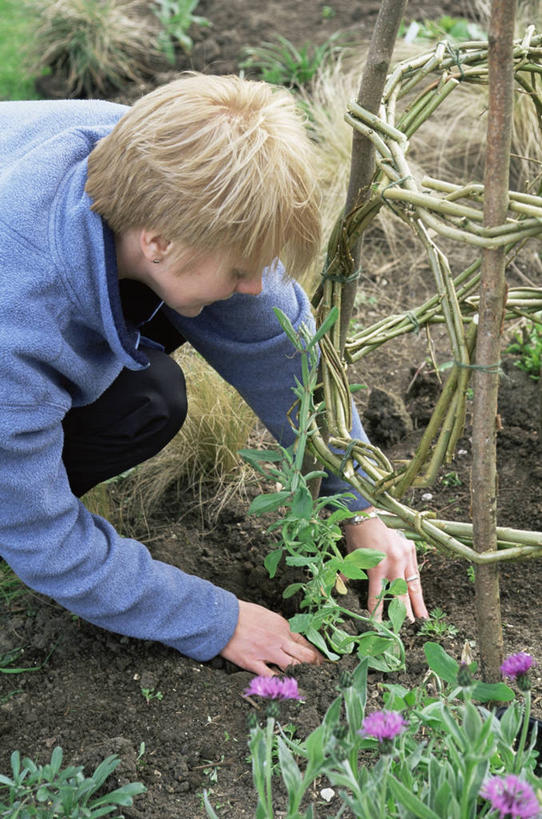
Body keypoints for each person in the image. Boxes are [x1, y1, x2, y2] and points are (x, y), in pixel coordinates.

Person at [0, 73, 427, 678]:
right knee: (133, 409)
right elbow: (43, 541)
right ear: (158, 244)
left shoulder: (173, 169)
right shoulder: (14, 332)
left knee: (155, 383)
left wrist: (359, 508)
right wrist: (215, 618)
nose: (254, 285)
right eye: (240, 270)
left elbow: (282, 351)